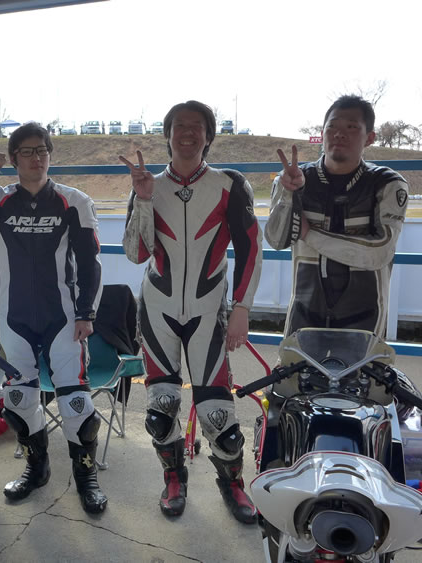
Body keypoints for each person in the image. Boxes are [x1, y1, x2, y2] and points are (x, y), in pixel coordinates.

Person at [0, 122, 108, 514]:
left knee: (76, 405)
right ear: (13, 158)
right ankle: (37, 469)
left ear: (50, 155)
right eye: (27, 152)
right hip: (13, 318)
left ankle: (86, 477)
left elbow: (90, 263)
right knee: (19, 401)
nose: (36, 158)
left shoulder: (74, 200)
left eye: (42, 151)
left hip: (63, 318)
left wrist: (86, 313)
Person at [120, 100, 263, 523]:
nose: (187, 132)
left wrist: (242, 308)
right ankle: (173, 478)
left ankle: (233, 484)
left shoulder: (230, 184)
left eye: (196, 126)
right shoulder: (147, 183)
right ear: (167, 135)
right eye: (179, 125)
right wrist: (143, 199)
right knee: (160, 412)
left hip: (209, 310)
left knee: (220, 417)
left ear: (208, 136)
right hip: (157, 309)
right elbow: (135, 253)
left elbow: (250, 248)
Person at [265, 95, 408, 338]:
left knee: (364, 366)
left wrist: (309, 234)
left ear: (370, 137)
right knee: (293, 365)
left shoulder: (387, 183)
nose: (339, 134)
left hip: (366, 316)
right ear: (322, 133)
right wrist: (288, 196)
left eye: (351, 127)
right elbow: (276, 240)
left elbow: (379, 253)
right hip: (304, 313)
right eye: (332, 126)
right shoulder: (293, 178)